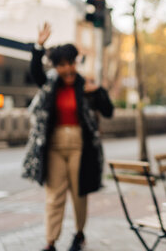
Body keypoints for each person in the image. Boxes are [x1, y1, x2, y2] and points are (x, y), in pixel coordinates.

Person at [22, 23, 113, 251]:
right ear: (56, 67)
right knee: (54, 195)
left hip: (80, 147)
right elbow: (35, 72)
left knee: (79, 193)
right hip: (54, 145)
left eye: (71, 63)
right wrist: (39, 46)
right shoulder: (50, 85)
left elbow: (109, 111)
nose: (68, 69)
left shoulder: (85, 85)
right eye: (62, 65)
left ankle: (79, 235)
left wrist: (99, 91)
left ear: (76, 62)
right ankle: (50, 241)